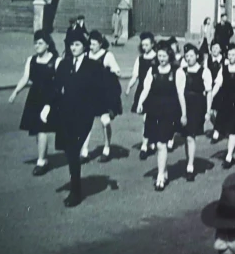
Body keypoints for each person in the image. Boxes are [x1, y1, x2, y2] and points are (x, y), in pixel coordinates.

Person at [40, 31, 104, 207]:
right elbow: (56, 87)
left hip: (84, 115)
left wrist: (105, 110)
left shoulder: (93, 66)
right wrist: (47, 106)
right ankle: (75, 184)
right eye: (71, 45)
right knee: (70, 152)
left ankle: (76, 192)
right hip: (66, 113)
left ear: (84, 46)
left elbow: (102, 89)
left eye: (77, 44)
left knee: (74, 149)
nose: (73, 48)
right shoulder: (64, 65)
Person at [136, 41, 187, 191]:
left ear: (169, 56)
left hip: (170, 111)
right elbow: (146, 89)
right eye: (159, 56)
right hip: (154, 110)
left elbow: (180, 94)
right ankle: (163, 171)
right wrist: (140, 103)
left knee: (161, 144)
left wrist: (184, 114)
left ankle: (160, 177)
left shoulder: (177, 71)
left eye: (164, 56)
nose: (162, 59)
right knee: (157, 143)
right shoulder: (152, 70)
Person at [9, 30, 60, 176]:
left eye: (40, 43)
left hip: (49, 99)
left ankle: (41, 161)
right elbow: (25, 78)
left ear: (47, 44)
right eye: (35, 43)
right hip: (35, 98)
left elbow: (59, 82)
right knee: (37, 130)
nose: (36, 46)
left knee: (42, 129)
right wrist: (15, 92)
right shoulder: (31, 60)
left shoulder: (55, 61)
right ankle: (43, 156)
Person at [83, 30, 122, 162]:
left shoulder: (107, 55)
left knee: (105, 121)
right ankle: (84, 151)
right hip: (89, 93)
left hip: (103, 94)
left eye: (94, 44)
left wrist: (111, 73)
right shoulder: (86, 54)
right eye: (90, 44)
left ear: (100, 44)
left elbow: (117, 71)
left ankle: (106, 147)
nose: (91, 47)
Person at [179, 44, 213, 181]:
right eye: (186, 56)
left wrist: (208, 111)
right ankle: (189, 160)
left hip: (197, 105)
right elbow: (179, 91)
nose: (189, 58)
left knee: (190, 136)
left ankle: (190, 166)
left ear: (197, 56)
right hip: (184, 105)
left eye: (191, 56)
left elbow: (209, 92)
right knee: (186, 136)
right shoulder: (182, 71)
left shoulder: (204, 71)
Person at [126, 32, 158, 160]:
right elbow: (135, 75)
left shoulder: (157, 58)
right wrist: (129, 86)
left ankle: (149, 143)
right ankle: (148, 143)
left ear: (152, 44)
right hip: (143, 91)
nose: (144, 47)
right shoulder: (139, 59)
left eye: (147, 44)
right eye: (143, 45)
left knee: (150, 118)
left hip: (155, 91)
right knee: (146, 119)